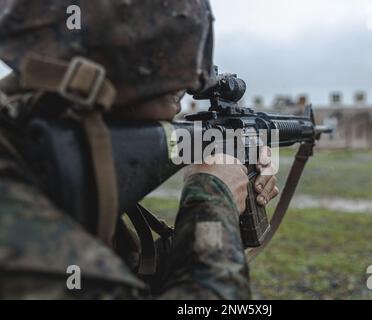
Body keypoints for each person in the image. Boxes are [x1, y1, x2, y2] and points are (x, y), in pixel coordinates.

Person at [0, 0, 279, 299]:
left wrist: (218, 217)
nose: (176, 110)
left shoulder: (29, 152)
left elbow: (128, 275)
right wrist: (213, 201)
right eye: (174, 95)